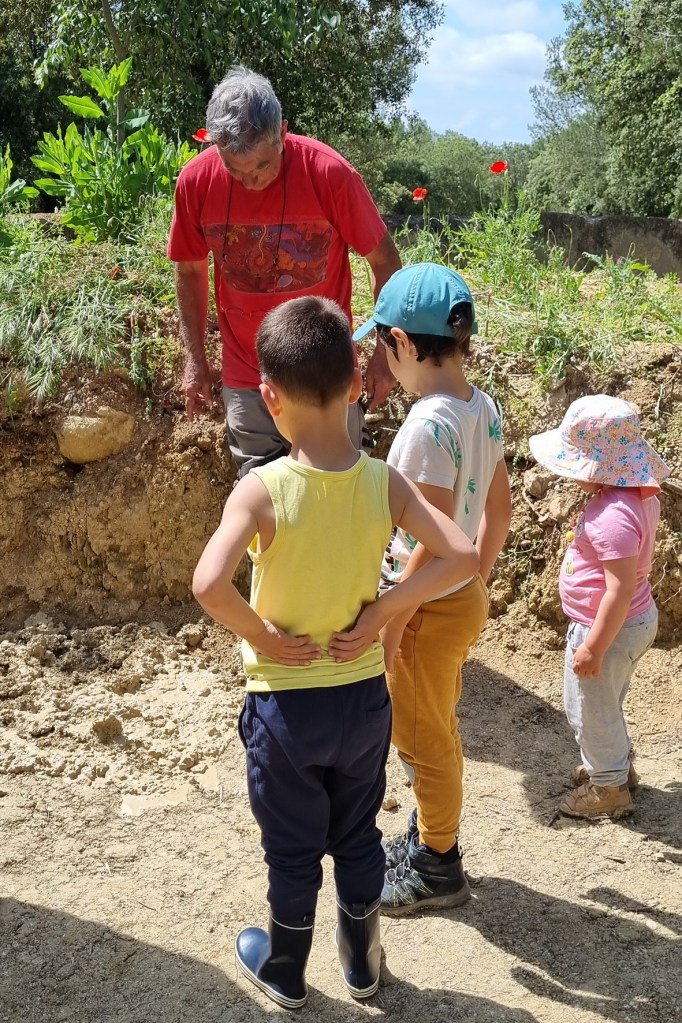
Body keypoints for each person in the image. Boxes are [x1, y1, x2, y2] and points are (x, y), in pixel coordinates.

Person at [192, 294, 479, 1009]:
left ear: (268, 396)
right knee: (356, 835)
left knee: (292, 849)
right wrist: (385, 608)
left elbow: (208, 585)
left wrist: (263, 636)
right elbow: (463, 554)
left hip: (285, 709)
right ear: (357, 383)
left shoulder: (260, 491)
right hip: (361, 701)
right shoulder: (385, 482)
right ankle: (364, 963)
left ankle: (286, 968)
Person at [352, 262, 512, 915]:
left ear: (403, 342)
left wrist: (391, 623)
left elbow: (429, 542)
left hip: (422, 606)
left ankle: (437, 862)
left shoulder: (426, 425)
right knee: (436, 721)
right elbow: (498, 509)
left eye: (383, 348)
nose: (383, 362)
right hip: (456, 597)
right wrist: (479, 578)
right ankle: (428, 830)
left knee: (421, 737)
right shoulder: (482, 407)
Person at [168, 64, 401, 477]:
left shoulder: (329, 174)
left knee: (336, 490)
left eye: (261, 166)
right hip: (247, 376)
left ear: (283, 133)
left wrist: (385, 354)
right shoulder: (195, 182)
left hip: (325, 375)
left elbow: (384, 261)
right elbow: (189, 271)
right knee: (260, 490)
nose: (249, 182)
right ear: (214, 146)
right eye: (234, 169)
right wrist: (195, 359)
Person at [529, 395, 670, 819]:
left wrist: (592, 646)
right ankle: (615, 765)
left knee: (589, 710)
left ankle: (609, 788)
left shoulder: (612, 515)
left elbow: (618, 590)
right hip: (631, 623)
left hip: (607, 629)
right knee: (607, 701)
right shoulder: (637, 498)